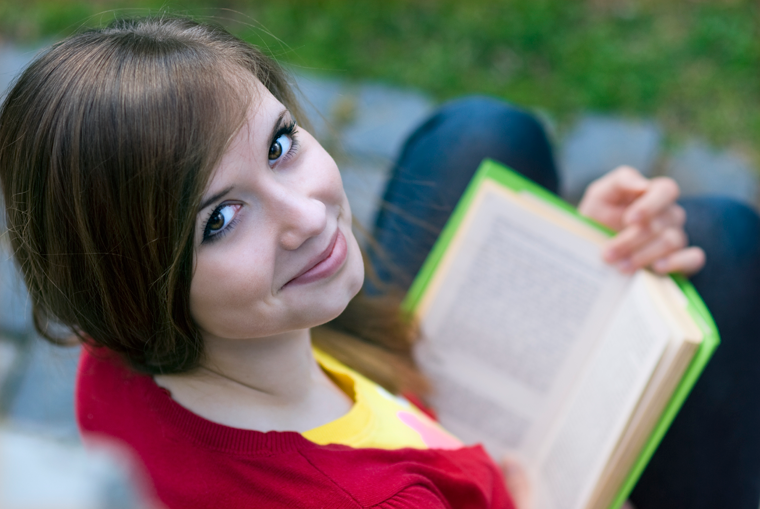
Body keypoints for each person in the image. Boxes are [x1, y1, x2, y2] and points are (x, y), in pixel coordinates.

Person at [0, 15, 758, 509]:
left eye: (280, 145)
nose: (307, 215)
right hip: (495, 478)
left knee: (483, 131)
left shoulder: (112, 351)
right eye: (222, 219)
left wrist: (573, 255)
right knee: (720, 243)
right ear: (136, 282)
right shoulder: (377, 499)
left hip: (365, 381)